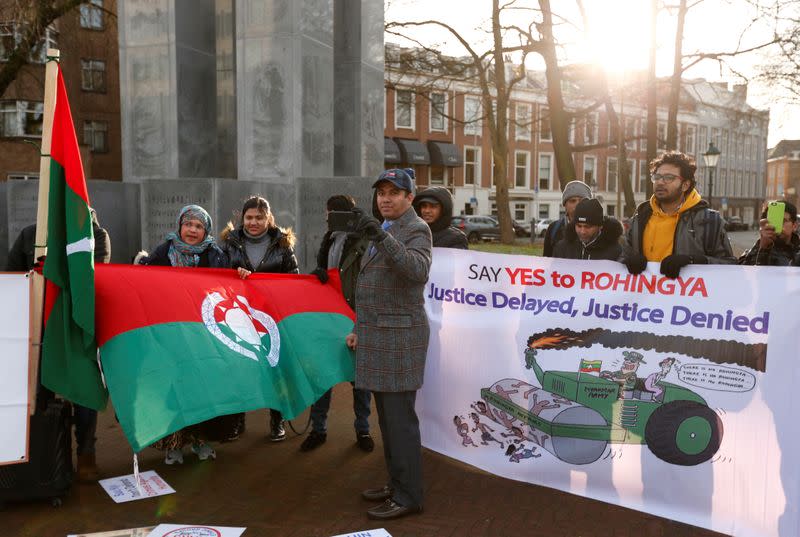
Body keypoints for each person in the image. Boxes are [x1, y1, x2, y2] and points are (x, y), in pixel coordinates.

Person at [346, 168, 432, 521]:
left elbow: (416, 270)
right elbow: (371, 289)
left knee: (400, 424)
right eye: (381, 192)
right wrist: (357, 328)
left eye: (394, 192)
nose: (385, 198)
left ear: (410, 197)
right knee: (388, 423)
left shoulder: (417, 229)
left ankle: (410, 495)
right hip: (380, 337)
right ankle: (397, 483)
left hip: (399, 341)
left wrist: (381, 239)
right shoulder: (385, 228)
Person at [7, 209, 111, 482]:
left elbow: (93, 276)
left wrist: (54, 270)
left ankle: (86, 453)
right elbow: (12, 276)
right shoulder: (31, 235)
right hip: (39, 326)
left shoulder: (96, 235)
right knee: (39, 391)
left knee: (84, 392)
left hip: (78, 327)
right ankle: (45, 457)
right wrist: (33, 278)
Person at [138, 204, 229, 464]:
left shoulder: (216, 255)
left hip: (203, 335)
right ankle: (174, 445)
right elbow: (146, 282)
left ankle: (201, 440)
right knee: (173, 389)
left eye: (199, 226)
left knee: (201, 390)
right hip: (171, 334)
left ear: (206, 231)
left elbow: (225, 287)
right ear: (180, 226)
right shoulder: (164, 252)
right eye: (188, 224)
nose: (192, 230)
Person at [220, 195, 298, 442]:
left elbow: (293, 279)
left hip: (271, 318)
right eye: (249, 217)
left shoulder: (283, 245)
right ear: (242, 218)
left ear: (269, 218)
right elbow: (218, 278)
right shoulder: (229, 244)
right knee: (239, 367)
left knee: (275, 369)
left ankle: (277, 421)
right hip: (238, 316)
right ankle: (237, 420)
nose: (253, 222)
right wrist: (235, 274)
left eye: (259, 218)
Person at [301, 194, 374, 453]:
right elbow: (326, 269)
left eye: (330, 213)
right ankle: (318, 429)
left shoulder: (364, 239)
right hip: (328, 315)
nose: (326, 217)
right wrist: (318, 275)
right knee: (322, 376)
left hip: (353, 314)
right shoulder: (329, 237)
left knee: (359, 379)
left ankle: (363, 429)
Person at [623, 151, 735, 278]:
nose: (660, 182)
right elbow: (621, 257)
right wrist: (628, 261)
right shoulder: (640, 218)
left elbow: (729, 265)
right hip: (646, 296)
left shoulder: (709, 221)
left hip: (689, 296)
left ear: (685, 185)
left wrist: (693, 261)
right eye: (657, 177)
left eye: (668, 178)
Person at [552, 198, 623, 261]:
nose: (583, 232)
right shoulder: (561, 248)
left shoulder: (615, 252)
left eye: (588, 227)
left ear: (600, 226)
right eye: (579, 226)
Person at [738, 201, 799, 266]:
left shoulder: (798, 252)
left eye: (783, 221)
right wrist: (763, 249)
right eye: (774, 221)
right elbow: (746, 273)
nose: (778, 225)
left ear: (794, 226)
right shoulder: (754, 252)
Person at [543, 180, 593, 257]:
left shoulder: (598, 229)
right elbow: (546, 259)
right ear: (565, 205)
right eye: (572, 201)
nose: (577, 204)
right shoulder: (553, 228)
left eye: (582, 200)